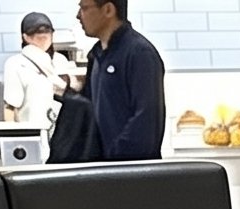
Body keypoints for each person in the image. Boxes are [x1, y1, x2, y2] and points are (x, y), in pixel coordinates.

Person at [56, 0, 164, 162]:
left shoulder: (139, 53)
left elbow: (146, 119)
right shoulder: (97, 55)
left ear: (108, 10)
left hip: (132, 171)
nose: (78, 16)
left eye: (84, 8)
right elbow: (89, 111)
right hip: (103, 169)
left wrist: (114, 157)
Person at [3, 12, 70, 130]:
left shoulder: (61, 61)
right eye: (38, 33)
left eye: (47, 32)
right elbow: (10, 107)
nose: (43, 36)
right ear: (25, 37)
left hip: (63, 133)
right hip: (32, 133)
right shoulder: (16, 64)